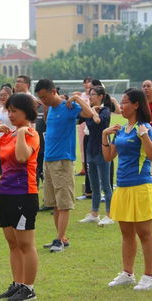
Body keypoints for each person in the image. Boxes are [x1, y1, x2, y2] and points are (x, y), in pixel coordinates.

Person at [0, 93, 40, 301]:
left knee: (25, 244)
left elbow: (23, 157)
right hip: (6, 193)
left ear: (27, 112)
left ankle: (29, 288)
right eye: (9, 110)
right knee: (12, 243)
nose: (11, 115)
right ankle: (17, 284)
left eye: (15, 111)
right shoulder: (8, 134)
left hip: (24, 194)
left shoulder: (31, 133)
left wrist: (22, 133)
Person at [102, 88, 152, 290]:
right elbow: (108, 157)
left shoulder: (145, 127)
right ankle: (127, 273)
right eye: (121, 102)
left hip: (141, 186)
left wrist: (144, 136)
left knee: (145, 233)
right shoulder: (121, 129)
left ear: (136, 105)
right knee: (126, 233)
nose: (121, 105)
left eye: (125, 102)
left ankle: (150, 277)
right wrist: (104, 136)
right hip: (123, 187)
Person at [35, 79, 93, 252]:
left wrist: (76, 98)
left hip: (63, 160)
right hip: (49, 160)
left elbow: (90, 114)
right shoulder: (50, 109)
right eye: (40, 98)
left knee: (64, 203)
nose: (43, 101)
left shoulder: (67, 106)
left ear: (53, 91)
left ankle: (60, 240)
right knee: (54, 203)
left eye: (45, 97)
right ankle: (60, 238)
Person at [79, 85, 113, 226]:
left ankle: (110, 214)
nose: (90, 97)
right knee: (93, 185)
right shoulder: (89, 112)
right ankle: (94, 214)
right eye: (89, 94)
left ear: (100, 96)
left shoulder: (105, 110)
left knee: (106, 184)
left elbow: (98, 121)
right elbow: (79, 118)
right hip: (90, 149)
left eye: (93, 94)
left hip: (103, 150)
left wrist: (93, 111)